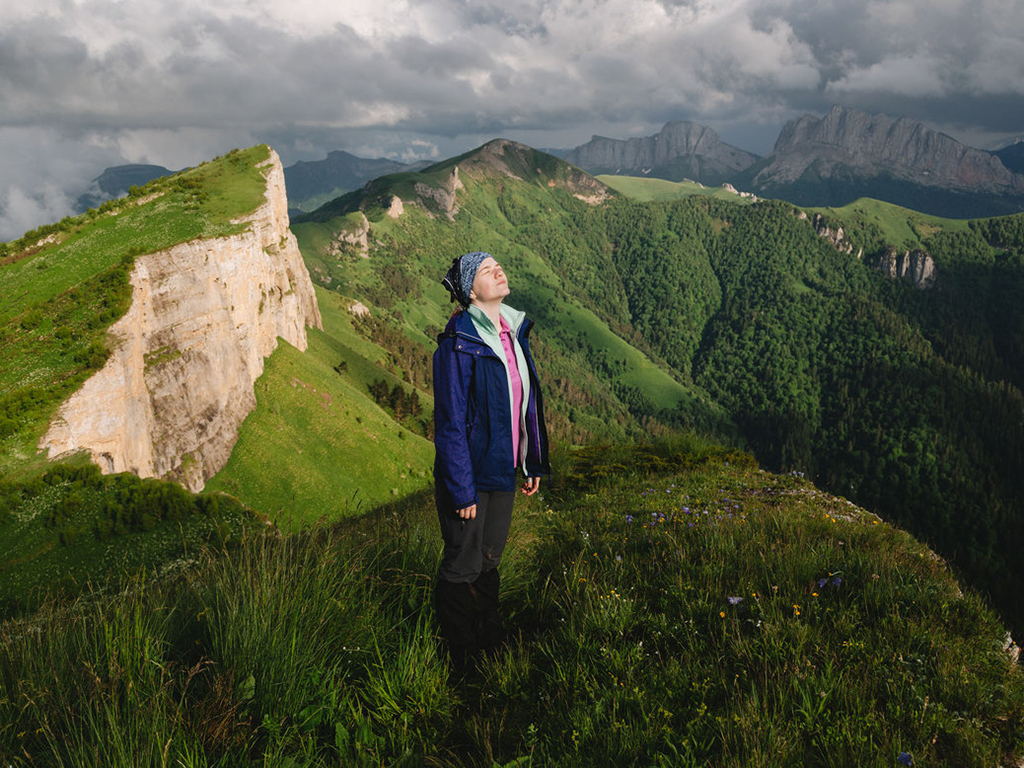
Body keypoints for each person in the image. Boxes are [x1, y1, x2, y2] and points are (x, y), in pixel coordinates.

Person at [432, 250, 550, 677]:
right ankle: (461, 661)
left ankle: (490, 641)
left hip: (502, 471)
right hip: (471, 476)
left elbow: (524, 405)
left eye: (497, 264)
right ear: (469, 291)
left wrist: (531, 460)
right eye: (485, 270)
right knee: (462, 563)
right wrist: (461, 490)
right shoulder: (459, 343)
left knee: (489, 558)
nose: (497, 270)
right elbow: (448, 424)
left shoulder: (513, 332)